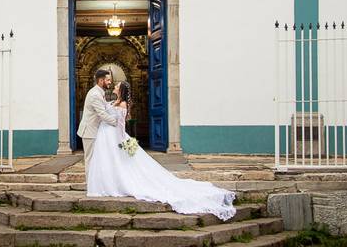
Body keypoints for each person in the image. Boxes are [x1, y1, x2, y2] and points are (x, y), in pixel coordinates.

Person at [86, 81, 237, 221]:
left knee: (126, 163)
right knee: (116, 163)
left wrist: (123, 142)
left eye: (117, 86)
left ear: (121, 90)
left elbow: (121, 125)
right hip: (108, 137)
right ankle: (114, 182)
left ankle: (122, 183)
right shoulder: (115, 101)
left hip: (117, 137)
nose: (114, 87)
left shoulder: (123, 104)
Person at [76, 69, 118, 175]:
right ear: (100, 80)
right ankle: (91, 186)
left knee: (96, 160)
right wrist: (116, 123)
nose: (110, 82)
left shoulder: (99, 92)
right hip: (89, 132)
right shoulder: (95, 94)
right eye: (108, 80)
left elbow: (104, 106)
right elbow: (102, 114)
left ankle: (95, 185)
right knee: (90, 160)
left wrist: (115, 103)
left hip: (95, 131)